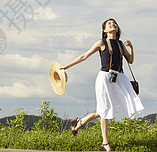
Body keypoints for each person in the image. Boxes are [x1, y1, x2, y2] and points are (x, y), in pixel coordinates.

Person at [61, 18, 144, 151]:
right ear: (105, 30)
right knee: (105, 109)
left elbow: (130, 60)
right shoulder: (101, 42)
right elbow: (84, 56)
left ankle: (79, 122)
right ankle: (105, 143)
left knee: (104, 109)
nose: (113, 24)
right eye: (109, 24)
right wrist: (67, 66)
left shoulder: (121, 44)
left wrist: (131, 48)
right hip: (105, 78)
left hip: (119, 78)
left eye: (114, 23)